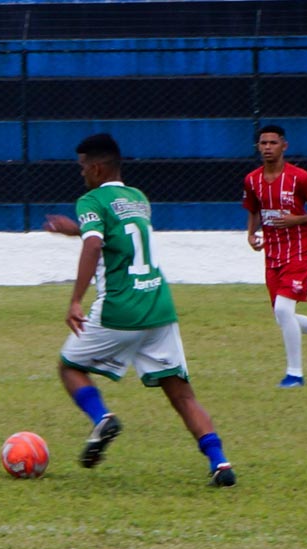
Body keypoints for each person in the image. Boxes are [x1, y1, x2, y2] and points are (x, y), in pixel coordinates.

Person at [45, 133, 236, 487]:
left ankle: (102, 418)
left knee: (69, 368)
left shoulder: (91, 198)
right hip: (158, 306)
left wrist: (75, 299)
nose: (81, 173)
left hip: (121, 307)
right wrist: (77, 231)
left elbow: (95, 244)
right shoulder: (138, 198)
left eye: (84, 167)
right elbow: (118, 234)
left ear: (98, 168)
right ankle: (220, 463)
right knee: (181, 394)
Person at [243, 124, 307, 388]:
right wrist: (252, 233)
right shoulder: (252, 179)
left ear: (284, 146)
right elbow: (254, 209)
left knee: (283, 309)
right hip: (273, 253)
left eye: (272, 143)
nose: (267, 147)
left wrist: (296, 219)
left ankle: (295, 374)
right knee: (283, 316)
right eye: (263, 143)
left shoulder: (300, 178)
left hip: (301, 250)